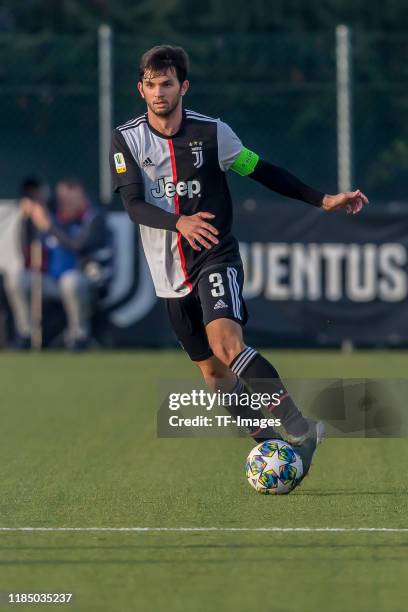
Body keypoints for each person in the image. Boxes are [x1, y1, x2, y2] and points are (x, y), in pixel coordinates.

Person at [109, 45, 369, 479]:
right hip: (168, 275)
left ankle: (301, 431)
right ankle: (273, 454)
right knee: (214, 376)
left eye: (167, 84)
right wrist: (179, 223)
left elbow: (261, 169)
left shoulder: (213, 134)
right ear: (141, 88)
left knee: (228, 347)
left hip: (214, 253)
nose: (159, 93)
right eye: (151, 85)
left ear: (183, 86)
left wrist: (322, 199)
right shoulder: (127, 138)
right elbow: (134, 204)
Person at [9, 178, 110, 350]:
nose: (65, 204)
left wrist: (49, 226)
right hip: (51, 280)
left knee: (70, 281)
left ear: (82, 198)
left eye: (70, 200)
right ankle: (26, 334)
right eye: (62, 200)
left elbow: (78, 245)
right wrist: (28, 219)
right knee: (17, 278)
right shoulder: (54, 216)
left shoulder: (93, 218)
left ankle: (79, 336)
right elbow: (26, 251)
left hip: (85, 280)